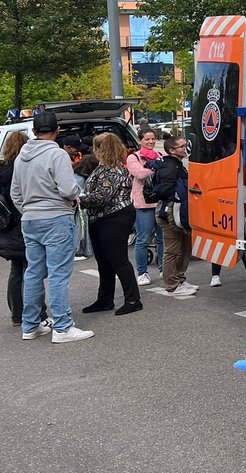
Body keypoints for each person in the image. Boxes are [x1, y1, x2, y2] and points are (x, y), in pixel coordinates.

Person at [10, 111, 92, 343]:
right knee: (58, 273)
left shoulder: (21, 157)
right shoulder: (57, 154)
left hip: (30, 219)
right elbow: (68, 188)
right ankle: (63, 327)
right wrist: (76, 194)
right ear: (57, 131)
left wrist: (28, 209)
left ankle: (30, 325)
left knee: (33, 272)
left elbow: (15, 193)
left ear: (34, 131)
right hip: (56, 217)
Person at [78, 133, 141, 316]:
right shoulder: (105, 167)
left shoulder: (112, 170)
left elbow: (102, 197)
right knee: (104, 262)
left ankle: (133, 299)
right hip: (102, 218)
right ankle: (105, 299)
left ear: (100, 149)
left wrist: (79, 200)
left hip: (114, 218)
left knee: (118, 260)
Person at [0, 132, 46, 328]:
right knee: (33, 268)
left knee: (16, 270)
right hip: (24, 221)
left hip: (5, 226)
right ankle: (37, 311)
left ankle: (17, 314)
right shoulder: (24, 169)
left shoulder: (2, 170)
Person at [157, 135, 195, 296]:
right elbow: (165, 190)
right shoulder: (169, 166)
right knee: (172, 250)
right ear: (172, 150)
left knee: (185, 248)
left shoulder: (178, 165)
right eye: (182, 146)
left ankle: (180, 279)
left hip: (180, 212)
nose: (185, 148)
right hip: (171, 213)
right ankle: (172, 285)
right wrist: (180, 193)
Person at [126, 129, 165, 284]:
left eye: (153, 139)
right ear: (140, 140)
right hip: (143, 204)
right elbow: (140, 174)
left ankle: (164, 269)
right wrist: (158, 168)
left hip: (160, 202)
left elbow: (169, 171)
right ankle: (142, 273)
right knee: (143, 239)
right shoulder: (133, 157)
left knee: (163, 239)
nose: (151, 142)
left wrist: (157, 167)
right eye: (147, 139)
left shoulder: (161, 155)